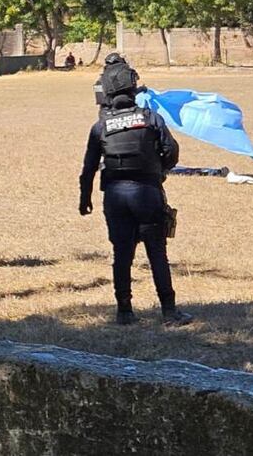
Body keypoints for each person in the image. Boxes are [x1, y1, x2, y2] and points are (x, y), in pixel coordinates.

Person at [79, 57, 191, 327]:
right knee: (157, 253)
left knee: (122, 254)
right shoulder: (151, 118)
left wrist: (85, 199)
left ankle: (124, 311)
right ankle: (169, 310)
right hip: (147, 193)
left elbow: (89, 168)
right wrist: (159, 172)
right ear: (133, 90)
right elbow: (171, 152)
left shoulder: (100, 127)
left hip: (115, 196)